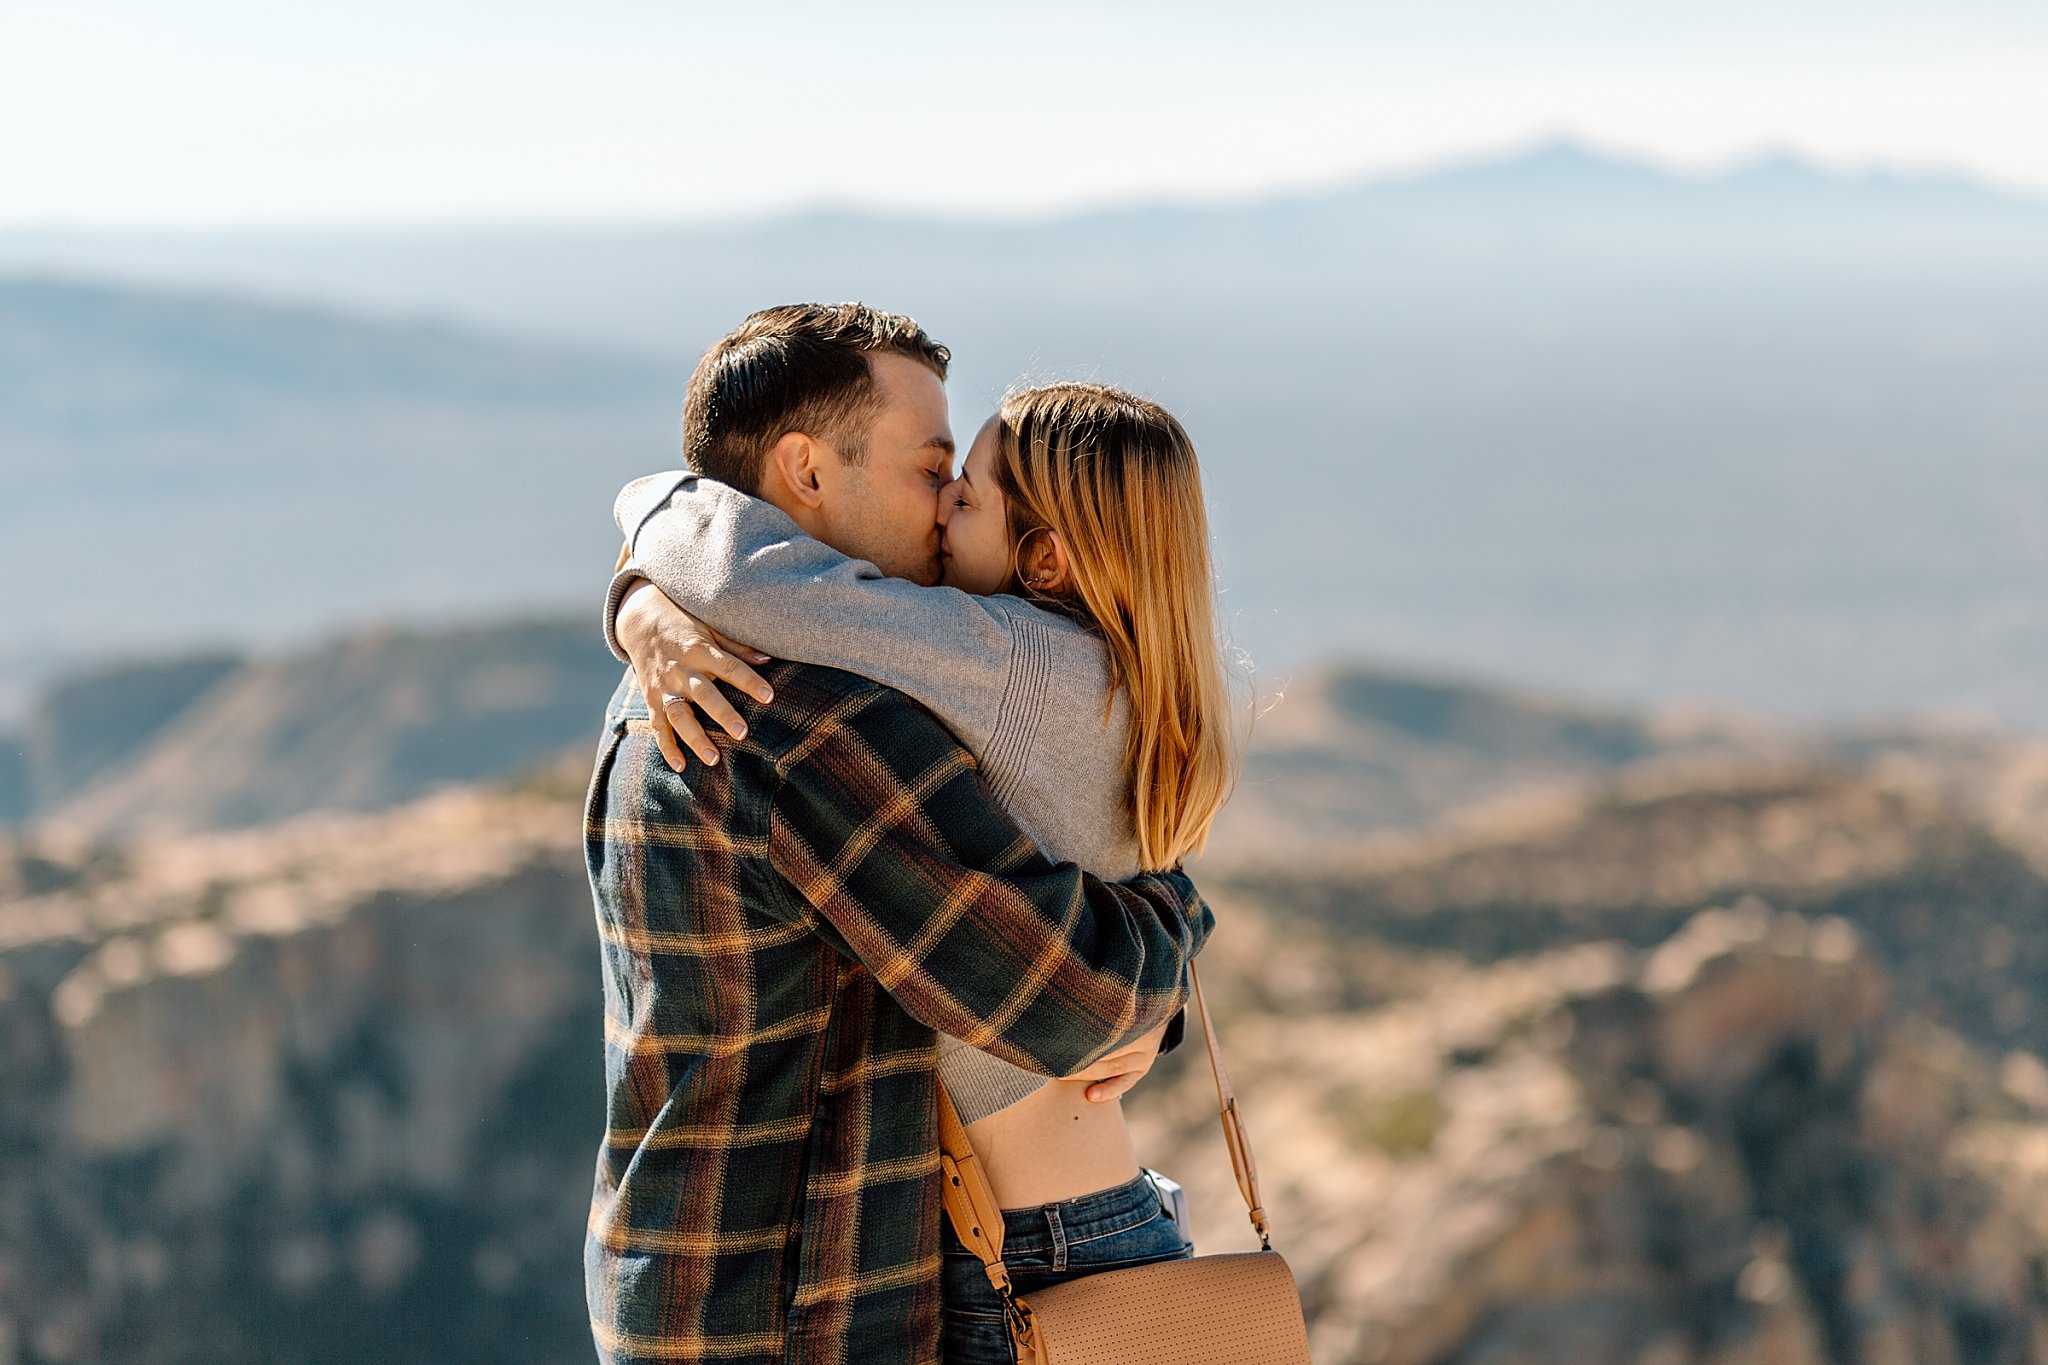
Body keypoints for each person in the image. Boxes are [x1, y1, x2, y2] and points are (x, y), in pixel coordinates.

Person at [583, 303, 1211, 1365]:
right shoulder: (799, 723)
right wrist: (1163, 951)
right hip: (794, 1310)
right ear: (806, 471)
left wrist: (641, 580)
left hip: (694, 1272)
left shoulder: (664, 684)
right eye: (932, 473)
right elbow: (1072, 1001)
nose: (940, 509)